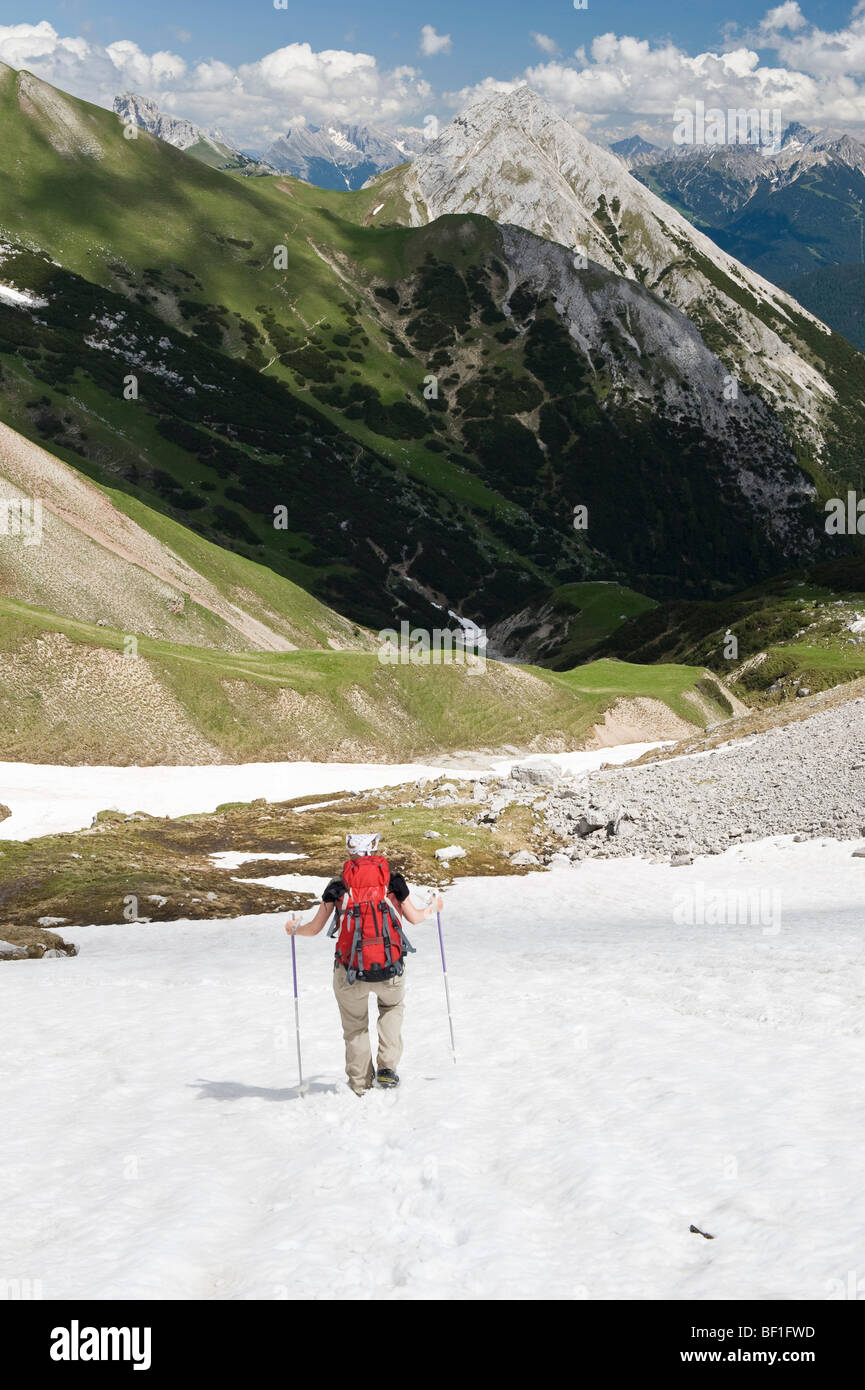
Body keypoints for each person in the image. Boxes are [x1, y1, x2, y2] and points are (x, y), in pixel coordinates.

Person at [285, 833, 444, 1095]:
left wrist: (294, 929)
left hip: (349, 972)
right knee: (392, 1008)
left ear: (350, 855)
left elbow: (314, 929)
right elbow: (415, 918)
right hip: (390, 967)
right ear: (375, 852)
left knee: (355, 1027)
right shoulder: (393, 882)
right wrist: (434, 908)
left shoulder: (338, 886)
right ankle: (387, 1071)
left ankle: (359, 1085)